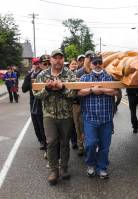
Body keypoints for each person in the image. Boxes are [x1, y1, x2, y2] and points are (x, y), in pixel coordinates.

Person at [34, 49, 76, 185]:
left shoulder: (70, 74)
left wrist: (62, 87)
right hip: (49, 115)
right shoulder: (42, 75)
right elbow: (36, 95)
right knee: (51, 142)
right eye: (55, 58)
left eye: (60, 58)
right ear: (51, 60)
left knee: (65, 142)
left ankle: (64, 167)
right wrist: (48, 89)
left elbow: (74, 94)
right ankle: (53, 170)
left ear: (63, 60)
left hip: (66, 115)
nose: (58, 60)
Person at [78, 55, 118, 179]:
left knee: (105, 146)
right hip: (90, 118)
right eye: (94, 63)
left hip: (106, 118)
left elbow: (115, 91)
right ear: (90, 65)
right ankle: (90, 164)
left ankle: (102, 168)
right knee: (90, 144)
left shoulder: (109, 77)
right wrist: (91, 89)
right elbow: (79, 92)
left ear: (103, 64)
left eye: (99, 62)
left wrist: (101, 89)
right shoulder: (84, 78)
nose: (97, 65)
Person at [22, 57, 47, 150]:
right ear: (33, 64)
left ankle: (46, 143)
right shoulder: (30, 75)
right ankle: (40, 140)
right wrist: (29, 77)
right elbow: (24, 89)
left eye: (38, 63)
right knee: (36, 124)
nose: (37, 65)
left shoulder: (44, 74)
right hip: (33, 102)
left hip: (43, 101)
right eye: (35, 63)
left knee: (43, 125)